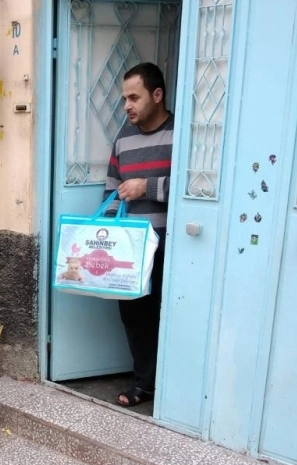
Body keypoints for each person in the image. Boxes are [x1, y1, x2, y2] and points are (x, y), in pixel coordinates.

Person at [103, 62, 173, 408]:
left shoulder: (181, 134)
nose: (127, 106)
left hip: (170, 245)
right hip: (131, 248)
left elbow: (198, 190)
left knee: (169, 314)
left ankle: (175, 387)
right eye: (124, 99)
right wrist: (110, 234)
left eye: (134, 97)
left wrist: (148, 187)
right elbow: (111, 188)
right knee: (134, 317)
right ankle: (145, 383)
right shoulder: (123, 139)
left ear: (157, 95)